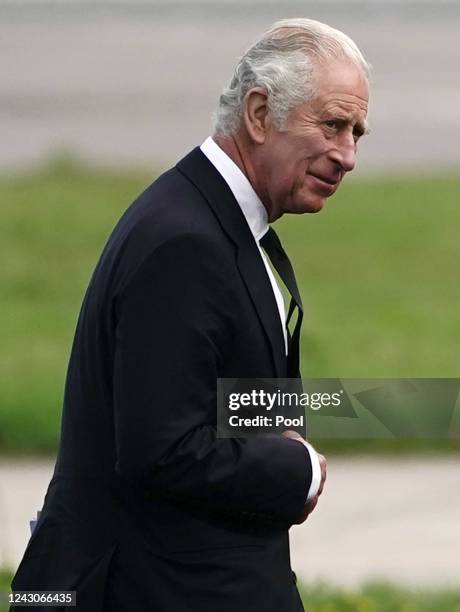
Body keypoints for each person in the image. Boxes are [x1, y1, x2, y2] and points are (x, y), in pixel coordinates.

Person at [11, 18, 370, 612]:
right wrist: (295, 469)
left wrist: (285, 426)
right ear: (259, 114)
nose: (348, 155)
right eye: (332, 124)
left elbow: (204, 395)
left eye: (357, 132)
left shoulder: (212, 218)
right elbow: (163, 449)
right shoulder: (184, 241)